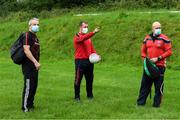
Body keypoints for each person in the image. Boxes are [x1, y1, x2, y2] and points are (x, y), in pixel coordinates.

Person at [137, 21, 172, 107]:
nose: (158, 29)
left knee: (158, 86)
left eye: (160, 28)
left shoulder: (165, 38)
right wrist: (145, 61)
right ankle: (140, 103)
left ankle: (156, 105)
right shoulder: (147, 38)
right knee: (144, 85)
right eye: (156, 28)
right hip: (149, 66)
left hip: (160, 66)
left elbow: (169, 51)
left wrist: (158, 58)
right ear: (152, 29)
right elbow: (143, 51)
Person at [73, 21, 100, 101]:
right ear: (80, 27)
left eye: (87, 27)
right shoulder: (77, 36)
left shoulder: (88, 39)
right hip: (80, 61)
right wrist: (93, 32)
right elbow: (82, 38)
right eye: (85, 27)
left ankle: (90, 96)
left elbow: (92, 49)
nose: (86, 28)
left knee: (90, 79)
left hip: (89, 61)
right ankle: (77, 97)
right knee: (78, 79)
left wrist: (96, 55)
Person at [21, 18, 41, 112]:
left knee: (34, 85)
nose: (36, 26)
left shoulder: (35, 37)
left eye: (37, 24)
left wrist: (36, 63)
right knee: (28, 86)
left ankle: (30, 105)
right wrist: (35, 62)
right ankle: (25, 107)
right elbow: (26, 50)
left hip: (34, 66)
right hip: (28, 65)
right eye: (34, 24)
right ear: (30, 25)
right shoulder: (27, 35)